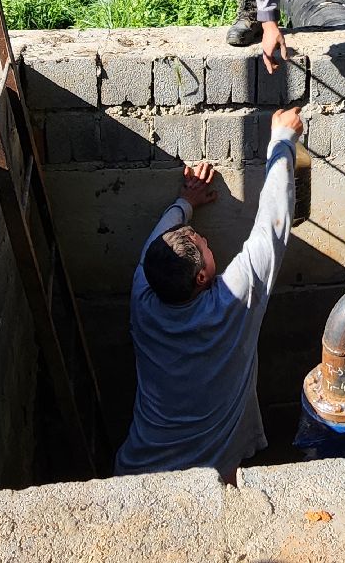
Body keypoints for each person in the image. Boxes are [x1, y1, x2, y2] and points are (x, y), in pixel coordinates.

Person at [115, 106, 303, 480]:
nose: (205, 238)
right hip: (209, 476)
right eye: (205, 246)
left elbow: (155, 243)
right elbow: (271, 228)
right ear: (202, 276)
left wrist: (185, 202)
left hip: (137, 471)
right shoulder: (231, 303)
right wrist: (282, 140)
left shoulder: (143, 294)